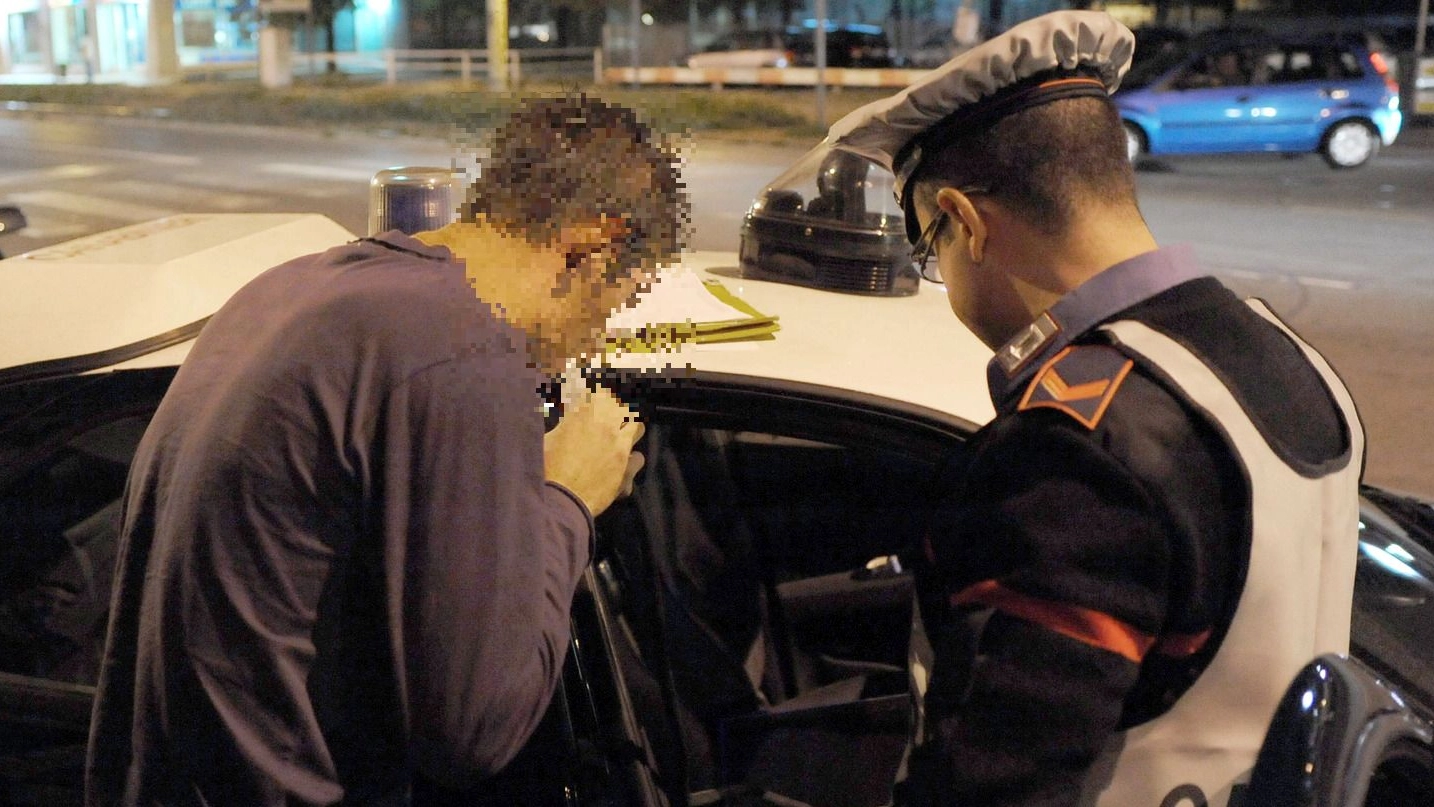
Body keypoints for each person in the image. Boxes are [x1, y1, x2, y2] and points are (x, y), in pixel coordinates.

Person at [84, 94, 687, 806]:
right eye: (611, 304)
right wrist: (569, 500)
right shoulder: (461, 348)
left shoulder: (290, 289)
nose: (589, 340)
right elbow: (475, 731)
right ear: (596, 246)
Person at [826, 11, 1363, 806]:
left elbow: (994, 783)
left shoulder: (1076, 448)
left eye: (927, 244)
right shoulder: (1289, 359)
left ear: (967, 224)